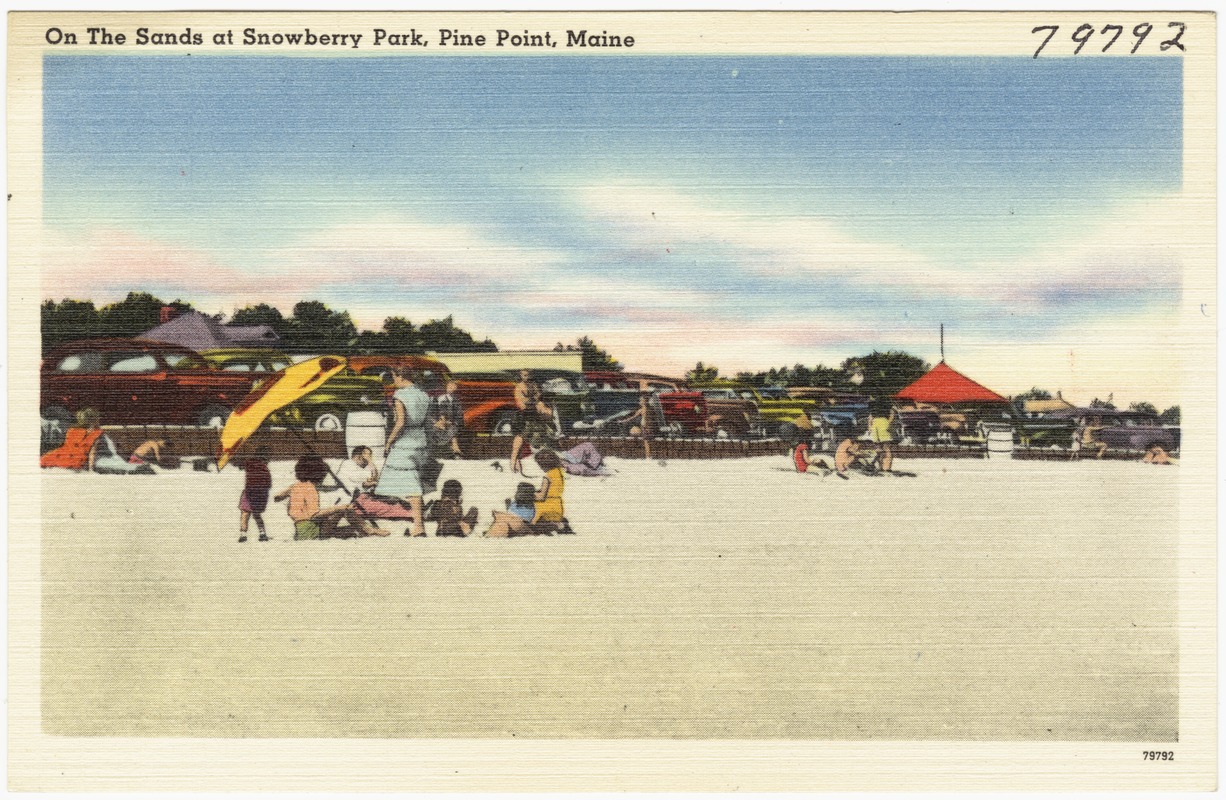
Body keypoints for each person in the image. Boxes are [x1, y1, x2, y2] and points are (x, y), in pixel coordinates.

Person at [377, 366, 433, 537]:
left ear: (400, 376)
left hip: (406, 441)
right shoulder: (424, 395)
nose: (393, 380)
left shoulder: (399, 395)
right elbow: (428, 423)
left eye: (393, 377)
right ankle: (418, 524)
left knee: (411, 485)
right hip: (421, 439)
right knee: (415, 483)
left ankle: (419, 527)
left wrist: (389, 441)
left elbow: (400, 422)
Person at [274, 455, 385, 540]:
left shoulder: (296, 486)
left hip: (300, 532)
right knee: (346, 508)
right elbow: (314, 514)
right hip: (312, 530)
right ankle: (368, 529)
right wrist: (339, 508)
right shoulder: (310, 488)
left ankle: (361, 531)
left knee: (351, 530)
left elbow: (277, 497)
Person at [510, 369, 552, 474]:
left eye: (528, 375)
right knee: (520, 437)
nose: (527, 377)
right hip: (524, 416)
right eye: (525, 375)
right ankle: (513, 461)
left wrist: (539, 404)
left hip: (534, 415)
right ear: (521, 375)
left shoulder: (533, 385)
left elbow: (538, 397)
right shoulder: (519, 387)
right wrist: (536, 404)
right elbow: (521, 405)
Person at [40, 408, 104, 470]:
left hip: (61, 456)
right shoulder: (96, 433)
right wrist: (91, 469)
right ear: (95, 419)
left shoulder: (72, 430)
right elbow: (92, 453)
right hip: (76, 460)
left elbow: (63, 445)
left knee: (43, 461)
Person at [237, 446, 271, 543]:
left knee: (244, 513)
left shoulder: (250, 463)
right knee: (256, 514)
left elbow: (240, 465)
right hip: (260, 495)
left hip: (249, 492)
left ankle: (243, 534)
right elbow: (268, 485)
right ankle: (262, 533)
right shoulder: (265, 469)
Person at [430, 380, 464, 458]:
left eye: (454, 386)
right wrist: (436, 422)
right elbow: (431, 412)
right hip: (437, 423)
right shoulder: (438, 398)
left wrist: (450, 422)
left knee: (452, 429)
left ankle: (455, 449)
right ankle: (454, 449)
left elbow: (459, 416)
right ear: (446, 386)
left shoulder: (456, 401)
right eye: (450, 386)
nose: (451, 388)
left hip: (450, 424)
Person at [869, 406, 896, 472]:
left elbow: (892, 412)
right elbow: (870, 416)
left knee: (885, 447)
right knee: (879, 447)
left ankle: (887, 467)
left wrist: (888, 422)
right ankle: (881, 467)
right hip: (877, 423)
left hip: (880, 422)